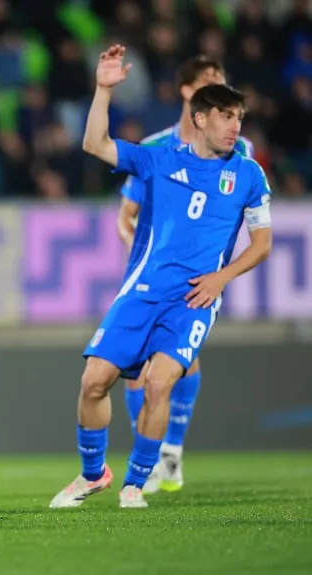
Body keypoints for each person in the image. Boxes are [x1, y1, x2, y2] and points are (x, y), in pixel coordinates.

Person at [51, 45, 272, 509]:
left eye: (239, 117)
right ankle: (94, 475)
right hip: (143, 291)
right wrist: (103, 89)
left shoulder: (249, 174)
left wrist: (221, 279)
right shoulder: (159, 158)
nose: (236, 126)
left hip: (194, 297)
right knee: (93, 381)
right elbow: (94, 145)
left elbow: (263, 243)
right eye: (227, 116)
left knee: (158, 382)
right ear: (200, 117)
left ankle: (136, 484)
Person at [115, 56, 255, 495]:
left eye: (224, 82)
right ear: (187, 92)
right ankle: (155, 456)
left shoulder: (240, 151)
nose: (221, 91)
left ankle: (169, 451)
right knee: (136, 371)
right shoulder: (156, 147)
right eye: (211, 83)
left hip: (200, 278)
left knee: (179, 360)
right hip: (153, 275)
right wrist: (147, 260)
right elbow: (126, 218)